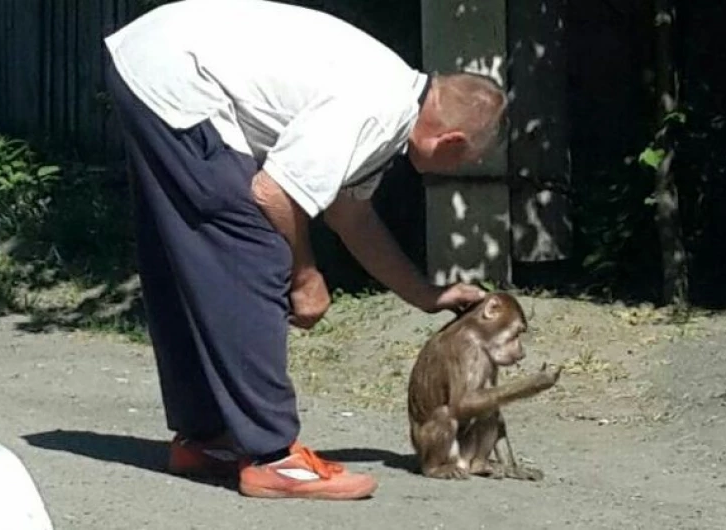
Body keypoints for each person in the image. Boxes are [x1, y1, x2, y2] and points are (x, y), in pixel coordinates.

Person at [103, 0, 507, 501]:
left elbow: (350, 216)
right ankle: (273, 458)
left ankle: (205, 439)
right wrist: (305, 276)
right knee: (252, 249)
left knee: (197, 253)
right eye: (466, 159)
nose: (459, 168)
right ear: (449, 142)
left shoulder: (393, 103)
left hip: (155, 59)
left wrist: (426, 295)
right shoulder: (375, 108)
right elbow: (273, 193)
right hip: (176, 72)